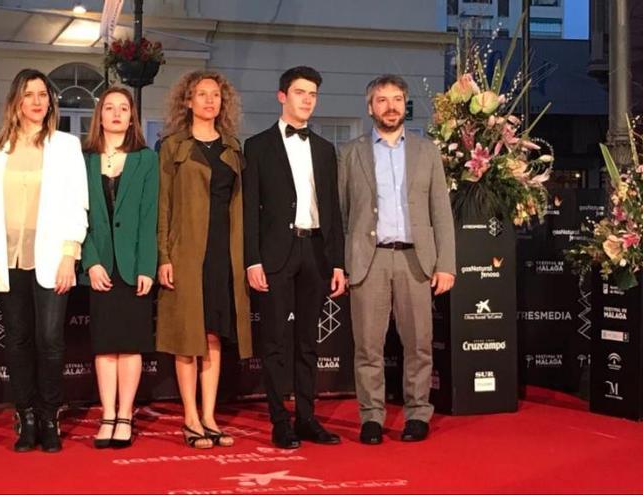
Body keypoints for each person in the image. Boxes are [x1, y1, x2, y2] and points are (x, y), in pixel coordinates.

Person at [338, 74, 456, 445]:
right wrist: (342, 263)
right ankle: (371, 417)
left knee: (419, 344)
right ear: (370, 106)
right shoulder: (351, 152)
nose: (390, 106)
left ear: (405, 104)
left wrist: (446, 263)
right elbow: (341, 214)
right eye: (382, 99)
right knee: (368, 347)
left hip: (415, 260)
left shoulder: (427, 152)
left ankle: (417, 413)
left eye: (396, 99)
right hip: (368, 261)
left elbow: (441, 212)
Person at [0, 68, 88, 453]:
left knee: (50, 340)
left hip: (51, 258)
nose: (38, 101)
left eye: (43, 94)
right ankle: (24, 417)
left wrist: (69, 255)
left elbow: (78, 203)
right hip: (6, 259)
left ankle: (49, 416)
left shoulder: (66, 146)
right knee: (18, 341)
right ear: (16, 101)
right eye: (29, 94)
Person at [243, 66, 346, 450]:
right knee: (274, 341)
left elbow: (333, 210)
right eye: (300, 92)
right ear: (282, 96)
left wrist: (337, 262)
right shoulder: (256, 146)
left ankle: (306, 417)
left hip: (316, 251)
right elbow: (250, 208)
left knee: (308, 342)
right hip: (274, 255)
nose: (307, 100)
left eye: (313, 94)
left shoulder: (324, 149)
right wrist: (252, 259)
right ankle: (278, 420)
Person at [157, 70, 252, 449]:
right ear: (188, 101)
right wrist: (163, 255)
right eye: (202, 94)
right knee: (187, 336)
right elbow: (163, 205)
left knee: (213, 334)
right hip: (185, 251)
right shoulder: (173, 146)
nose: (210, 101)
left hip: (224, 254)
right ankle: (190, 418)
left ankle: (210, 416)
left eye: (216, 95)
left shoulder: (232, 147)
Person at [80, 86, 158, 449]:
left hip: (132, 267)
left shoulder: (146, 159)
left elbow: (148, 215)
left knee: (130, 346)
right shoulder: (84, 159)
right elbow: (78, 217)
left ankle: (125, 415)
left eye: (123, 108)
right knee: (105, 346)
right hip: (100, 265)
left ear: (132, 116)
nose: (115, 113)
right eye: (108, 107)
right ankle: (107, 415)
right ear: (99, 115)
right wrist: (91, 261)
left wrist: (147, 266)